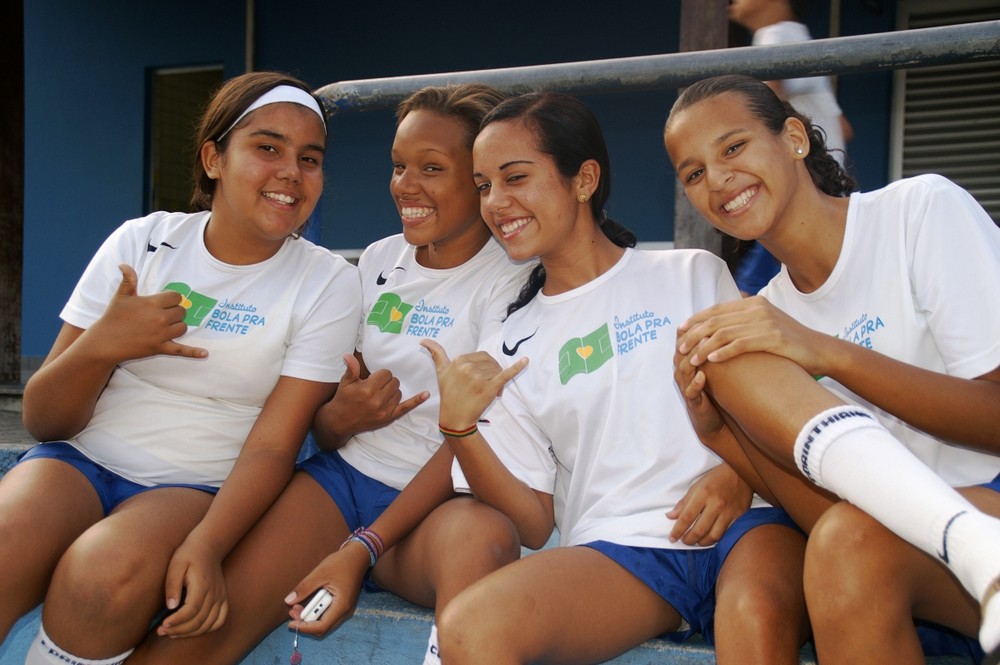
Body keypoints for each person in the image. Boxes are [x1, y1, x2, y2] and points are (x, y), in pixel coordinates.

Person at [126, 83, 540, 665]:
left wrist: (363, 548)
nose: (406, 186)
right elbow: (323, 416)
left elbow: (477, 439)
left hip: (437, 505)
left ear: (479, 180)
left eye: (431, 168)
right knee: (202, 629)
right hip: (342, 484)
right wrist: (338, 419)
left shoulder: (516, 280)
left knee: (484, 541)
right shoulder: (373, 261)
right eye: (399, 166)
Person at [422, 91, 811, 665]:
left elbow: (772, 408)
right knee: (471, 629)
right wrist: (460, 429)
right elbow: (531, 521)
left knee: (754, 616)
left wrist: (736, 474)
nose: (497, 202)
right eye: (484, 186)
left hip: (746, 524)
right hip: (621, 551)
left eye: (515, 177)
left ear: (583, 180)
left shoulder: (691, 275)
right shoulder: (506, 341)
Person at [0, 71, 363, 665]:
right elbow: (43, 419)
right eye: (266, 147)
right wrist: (102, 346)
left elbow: (276, 445)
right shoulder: (142, 243)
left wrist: (208, 544)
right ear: (213, 158)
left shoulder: (327, 282)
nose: (291, 172)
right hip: (78, 459)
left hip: (193, 485)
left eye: (310, 157)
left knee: (104, 574)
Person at [663, 74, 1000, 665]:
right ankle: (969, 543)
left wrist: (827, 351)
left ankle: (973, 539)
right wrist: (719, 434)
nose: (718, 180)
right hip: (899, 546)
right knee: (842, 537)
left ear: (794, 137)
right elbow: (823, 510)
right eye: (693, 173)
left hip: (987, 495)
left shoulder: (918, 211)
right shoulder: (762, 315)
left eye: (734, 148)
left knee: (849, 541)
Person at [727, 0, 854, 296]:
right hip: (825, 180)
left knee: (749, 291)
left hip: (800, 187)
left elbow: (760, 110)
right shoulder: (797, 37)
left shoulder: (775, 37)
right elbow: (843, 126)